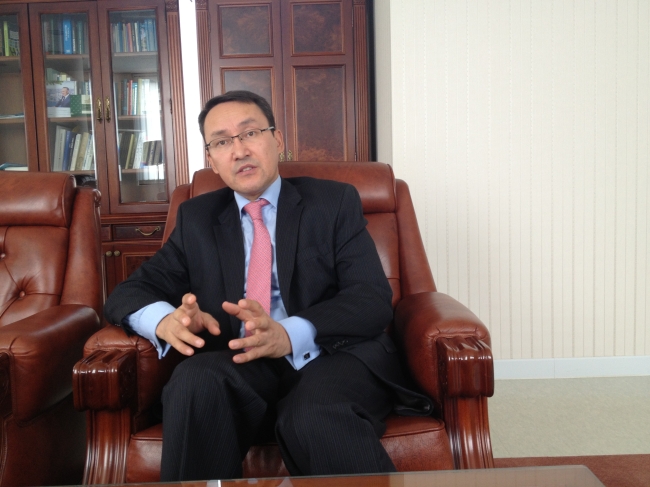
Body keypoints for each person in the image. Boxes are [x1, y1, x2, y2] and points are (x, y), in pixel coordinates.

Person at [104, 90, 431, 482]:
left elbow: (371, 298)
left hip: (333, 355)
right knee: (193, 381)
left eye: (250, 133)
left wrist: (288, 334)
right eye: (222, 141)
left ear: (277, 141)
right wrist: (164, 321)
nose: (238, 150)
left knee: (312, 416)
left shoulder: (333, 202)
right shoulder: (197, 218)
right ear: (212, 159)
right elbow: (129, 291)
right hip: (242, 359)